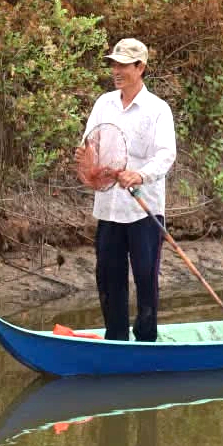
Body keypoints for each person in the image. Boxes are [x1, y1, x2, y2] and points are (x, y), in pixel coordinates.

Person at [78, 38, 177, 342]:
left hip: (144, 209)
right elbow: (89, 145)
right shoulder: (104, 103)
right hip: (109, 208)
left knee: (146, 276)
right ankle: (116, 340)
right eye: (114, 64)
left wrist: (139, 175)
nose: (116, 71)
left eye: (123, 65)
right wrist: (89, 165)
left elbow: (166, 155)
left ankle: (146, 340)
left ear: (140, 67)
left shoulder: (157, 109)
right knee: (109, 277)